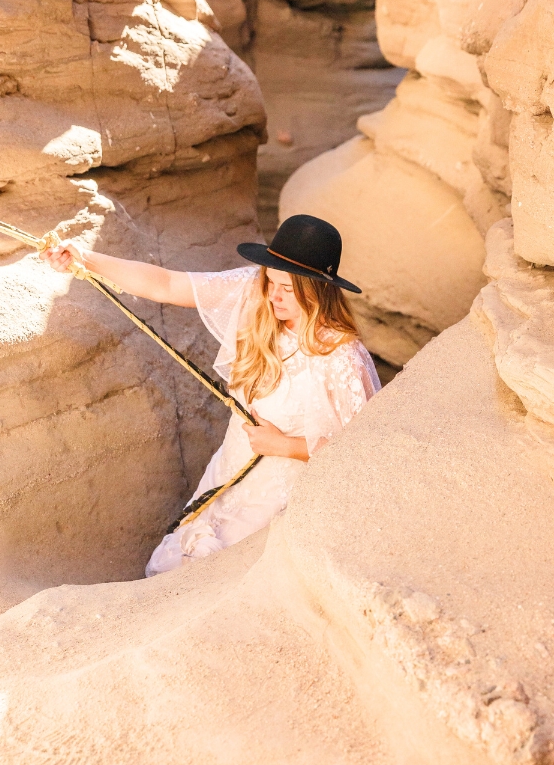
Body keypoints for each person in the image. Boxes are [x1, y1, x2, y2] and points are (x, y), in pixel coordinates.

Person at [40, 214, 380, 576]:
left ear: (317, 289)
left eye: (288, 288)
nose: (273, 295)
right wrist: (86, 258)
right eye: (271, 281)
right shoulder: (257, 296)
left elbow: (365, 453)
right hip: (229, 472)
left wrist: (285, 445)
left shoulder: (342, 357)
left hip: (281, 499)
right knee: (176, 571)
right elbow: (167, 284)